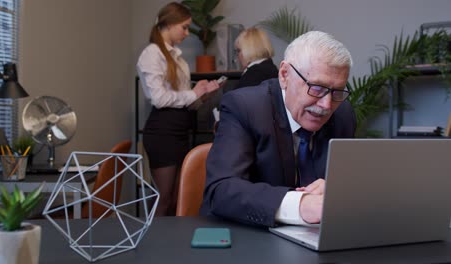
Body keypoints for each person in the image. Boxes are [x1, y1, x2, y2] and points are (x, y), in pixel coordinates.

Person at [200, 31, 356, 227]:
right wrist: (300, 204)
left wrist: (337, 190)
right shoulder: (245, 107)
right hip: (246, 237)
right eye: (317, 88)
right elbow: (221, 190)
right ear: (284, 75)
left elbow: (346, 182)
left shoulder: (343, 114)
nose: (326, 105)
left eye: (337, 91)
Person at [136, 2, 221, 216]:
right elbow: (159, 98)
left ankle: (169, 245)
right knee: (164, 198)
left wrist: (203, 95)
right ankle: (152, 244)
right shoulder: (152, 54)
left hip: (179, 131)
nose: (186, 32)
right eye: (183, 27)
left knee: (176, 199)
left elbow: (185, 103)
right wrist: (194, 93)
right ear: (169, 24)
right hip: (162, 133)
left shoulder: (179, 60)